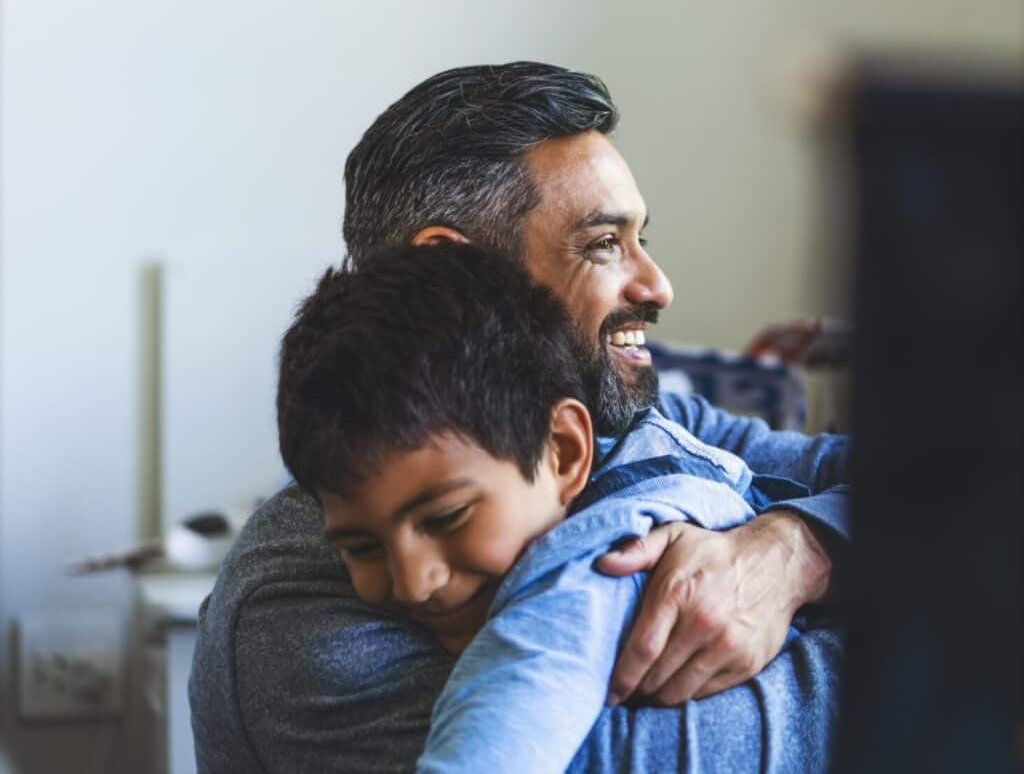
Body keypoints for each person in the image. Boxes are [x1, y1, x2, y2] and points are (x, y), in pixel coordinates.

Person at [190, 61, 850, 772]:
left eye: (641, 239)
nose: (657, 286)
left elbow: (946, 489)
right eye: (603, 243)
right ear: (456, 269)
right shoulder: (300, 614)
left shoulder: (624, 422)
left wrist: (797, 548)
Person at [276, 241, 839, 774]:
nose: (414, 581)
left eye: (447, 518)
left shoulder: (594, 564)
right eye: (361, 546)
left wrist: (802, 544)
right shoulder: (286, 606)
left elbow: (513, 709)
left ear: (567, 452)